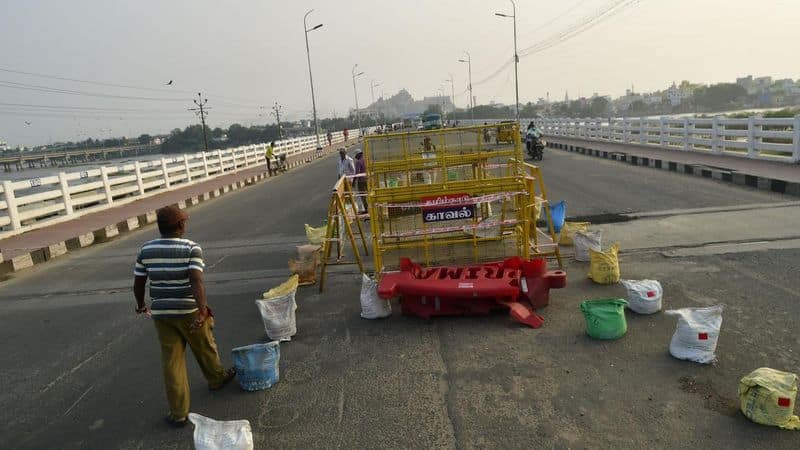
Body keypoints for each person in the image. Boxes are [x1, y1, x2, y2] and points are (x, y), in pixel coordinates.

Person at [133, 206, 235, 428]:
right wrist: (202, 310)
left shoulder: (145, 249)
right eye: (184, 222)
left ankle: (178, 412)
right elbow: (196, 280)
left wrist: (141, 305)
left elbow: (139, 282)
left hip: (162, 314)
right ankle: (216, 379)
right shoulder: (191, 248)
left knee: (172, 361)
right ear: (180, 226)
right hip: (188, 310)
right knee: (204, 346)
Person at [353, 150, 368, 215]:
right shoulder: (366, 160)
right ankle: (372, 208)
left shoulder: (358, 162)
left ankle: (367, 209)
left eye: (356, 156)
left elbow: (357, 173)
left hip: (361, 181)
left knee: (363, 196)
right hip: (367, 179)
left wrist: (354, 181)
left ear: (358, 155)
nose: (356, 157)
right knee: (369, 194)